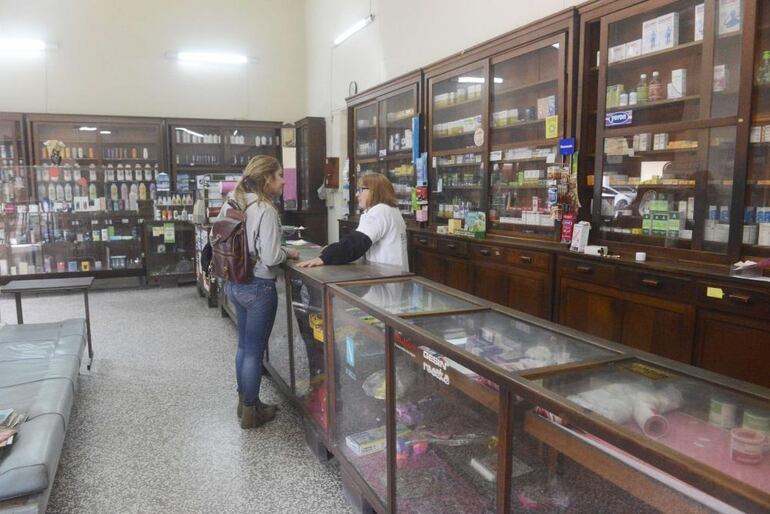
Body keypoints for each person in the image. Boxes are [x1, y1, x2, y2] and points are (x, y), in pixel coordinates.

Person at [216, 155, 299, 429]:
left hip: (235, 282)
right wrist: (289, 252)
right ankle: (252, 413)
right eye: (279, 176)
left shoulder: (233, 201)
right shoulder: (266, 209)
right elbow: (272, 257)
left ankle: (245, 402)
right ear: (266, 179)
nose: (283, 181)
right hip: (259, 287)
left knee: (243, 346)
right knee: (254, 351)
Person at [298, 172, 408, 271]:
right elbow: (360, 238)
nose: (357, 194)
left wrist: (325, 257)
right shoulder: (390, 209)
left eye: (361, 190)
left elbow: (356, 243)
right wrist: (333, 249)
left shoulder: (380, 211)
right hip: (392, 272)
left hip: (386, 275)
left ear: (375, 191)